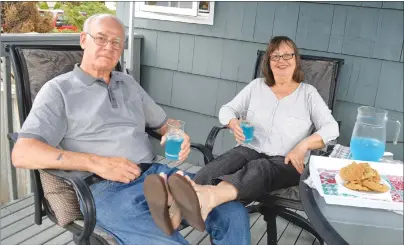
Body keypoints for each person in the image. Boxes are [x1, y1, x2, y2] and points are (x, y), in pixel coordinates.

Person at [11, 14, 251, 245]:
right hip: (105, 189)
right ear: (83, 40)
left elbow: (165, 124)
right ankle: (171, 209)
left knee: (231, 209)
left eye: (117, 42)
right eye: (101, 38)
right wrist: (97, 163)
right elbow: (23, 153)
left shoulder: (127, 83)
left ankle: (171, 203)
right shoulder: (58, 91)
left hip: (155, 174)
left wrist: (176, 133)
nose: (109, 46)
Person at [146, 36, 340, 230]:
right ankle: (177, 212)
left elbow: (331, 128)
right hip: (249, 148)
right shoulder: (257, 86)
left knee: (259, 168)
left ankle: (205, 199)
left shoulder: (308, 94)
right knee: (218, 166)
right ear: (269, 62)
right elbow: (227, 109)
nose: (281, 60)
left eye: (287, 55)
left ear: (296, 59)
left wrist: (303, 145)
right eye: (275, 56)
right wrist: (233, 122)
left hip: (287, 161)